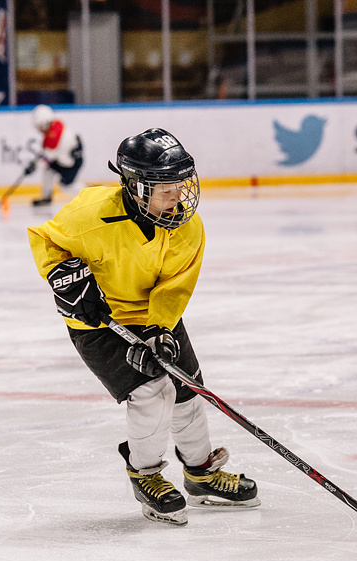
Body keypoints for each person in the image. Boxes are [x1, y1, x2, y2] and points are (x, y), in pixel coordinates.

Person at [27, 128, 259, 525]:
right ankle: (146, 474)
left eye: (181, 184)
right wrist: (64, 276)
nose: (178, 196)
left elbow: (174, 287)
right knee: (151, 391)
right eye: (165, 187)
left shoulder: (188, 228)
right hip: (97, 322)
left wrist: (161, 330)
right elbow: (46, 240)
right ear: (135, 187)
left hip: (154, 315)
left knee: (187, 388)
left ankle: (201, 473)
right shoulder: (91, 213)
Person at [26, 104, 86, 207]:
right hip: (66, 158)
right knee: (48, 171)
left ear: (44, 123)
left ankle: (90, 193)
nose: (39, 130)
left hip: (69, 162)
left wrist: (33, 167)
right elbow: (47, 154)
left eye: (40, 126)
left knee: (67, 186)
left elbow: (47, 158)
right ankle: (46, 197)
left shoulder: (53, 136)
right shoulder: (55, 126)